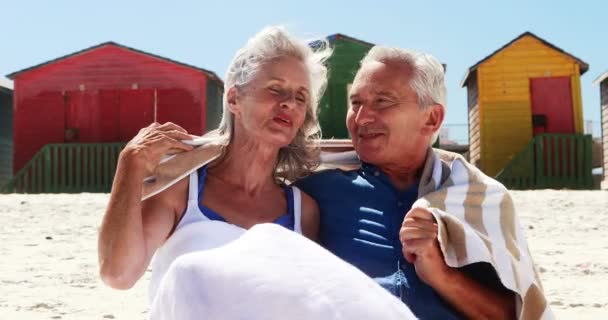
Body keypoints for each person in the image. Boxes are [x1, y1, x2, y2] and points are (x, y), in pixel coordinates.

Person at [97, 26, 331, 302]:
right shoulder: (181, 191)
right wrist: (130, 163)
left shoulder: (303, 211)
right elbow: (118, 274)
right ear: (234, 99)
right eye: (276, 89)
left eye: (300, 97)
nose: (290, 103)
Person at [295, 47, 524, 319]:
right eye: (355, 103)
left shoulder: (478, 199)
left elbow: (519, 314)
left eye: (382, 101)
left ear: (431, 118)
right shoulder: (316, 191)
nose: (361, 118)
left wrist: (441, 275)